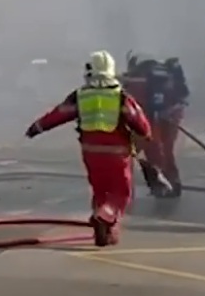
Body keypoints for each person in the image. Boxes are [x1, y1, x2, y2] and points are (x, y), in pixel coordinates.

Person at [24, 50, 152, 247]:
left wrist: (36, 128)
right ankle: (104, 217)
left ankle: (105, 232)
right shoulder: (121, 97)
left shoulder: (79, 96)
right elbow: (140, 124)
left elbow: (57, 115)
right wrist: (146, 135)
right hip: (118, 154)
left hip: (91, 153)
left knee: (100, 190)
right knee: (121, 193)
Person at [122, 55, 190, 197]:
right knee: (166, 149)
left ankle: (160, 185)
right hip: (172, 115)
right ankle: (172, 183)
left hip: (153, 117)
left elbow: (131, 100)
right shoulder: (168, 76)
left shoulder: (136, 79)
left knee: (144, 150)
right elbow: (181, 96)